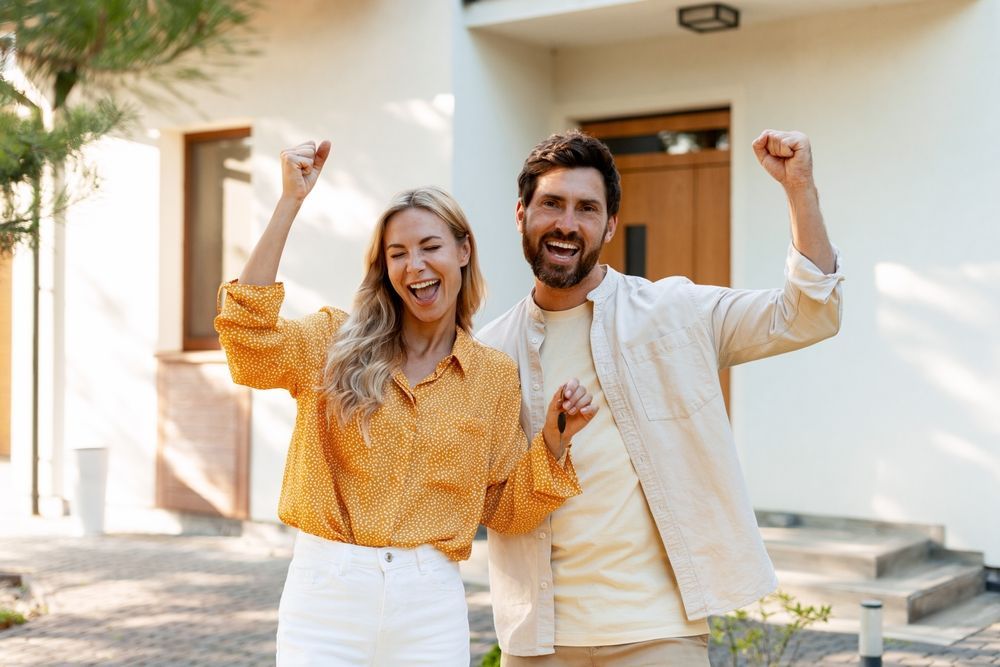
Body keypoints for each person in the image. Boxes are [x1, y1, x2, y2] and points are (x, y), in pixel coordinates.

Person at [214, 140, 598, 666]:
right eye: (398, 254)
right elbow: (247, 341)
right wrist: (289, 203)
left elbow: (503, 508)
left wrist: (556, 437)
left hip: (429, 602)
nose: (415, 265)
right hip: (325, 592)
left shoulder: (491, 377)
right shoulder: (332, 342)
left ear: (463, 251)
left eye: (430, 247)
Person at [477, 129, 844, 666]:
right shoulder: (488, 353)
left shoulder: (674, 310)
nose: (567, 223)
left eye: (587, 209)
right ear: (521, 214)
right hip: (540, 640)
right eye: (551, 204)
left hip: (659, 632)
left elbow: (807, 314)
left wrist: (799, 190)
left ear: (610, 225)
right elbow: (491, 501)